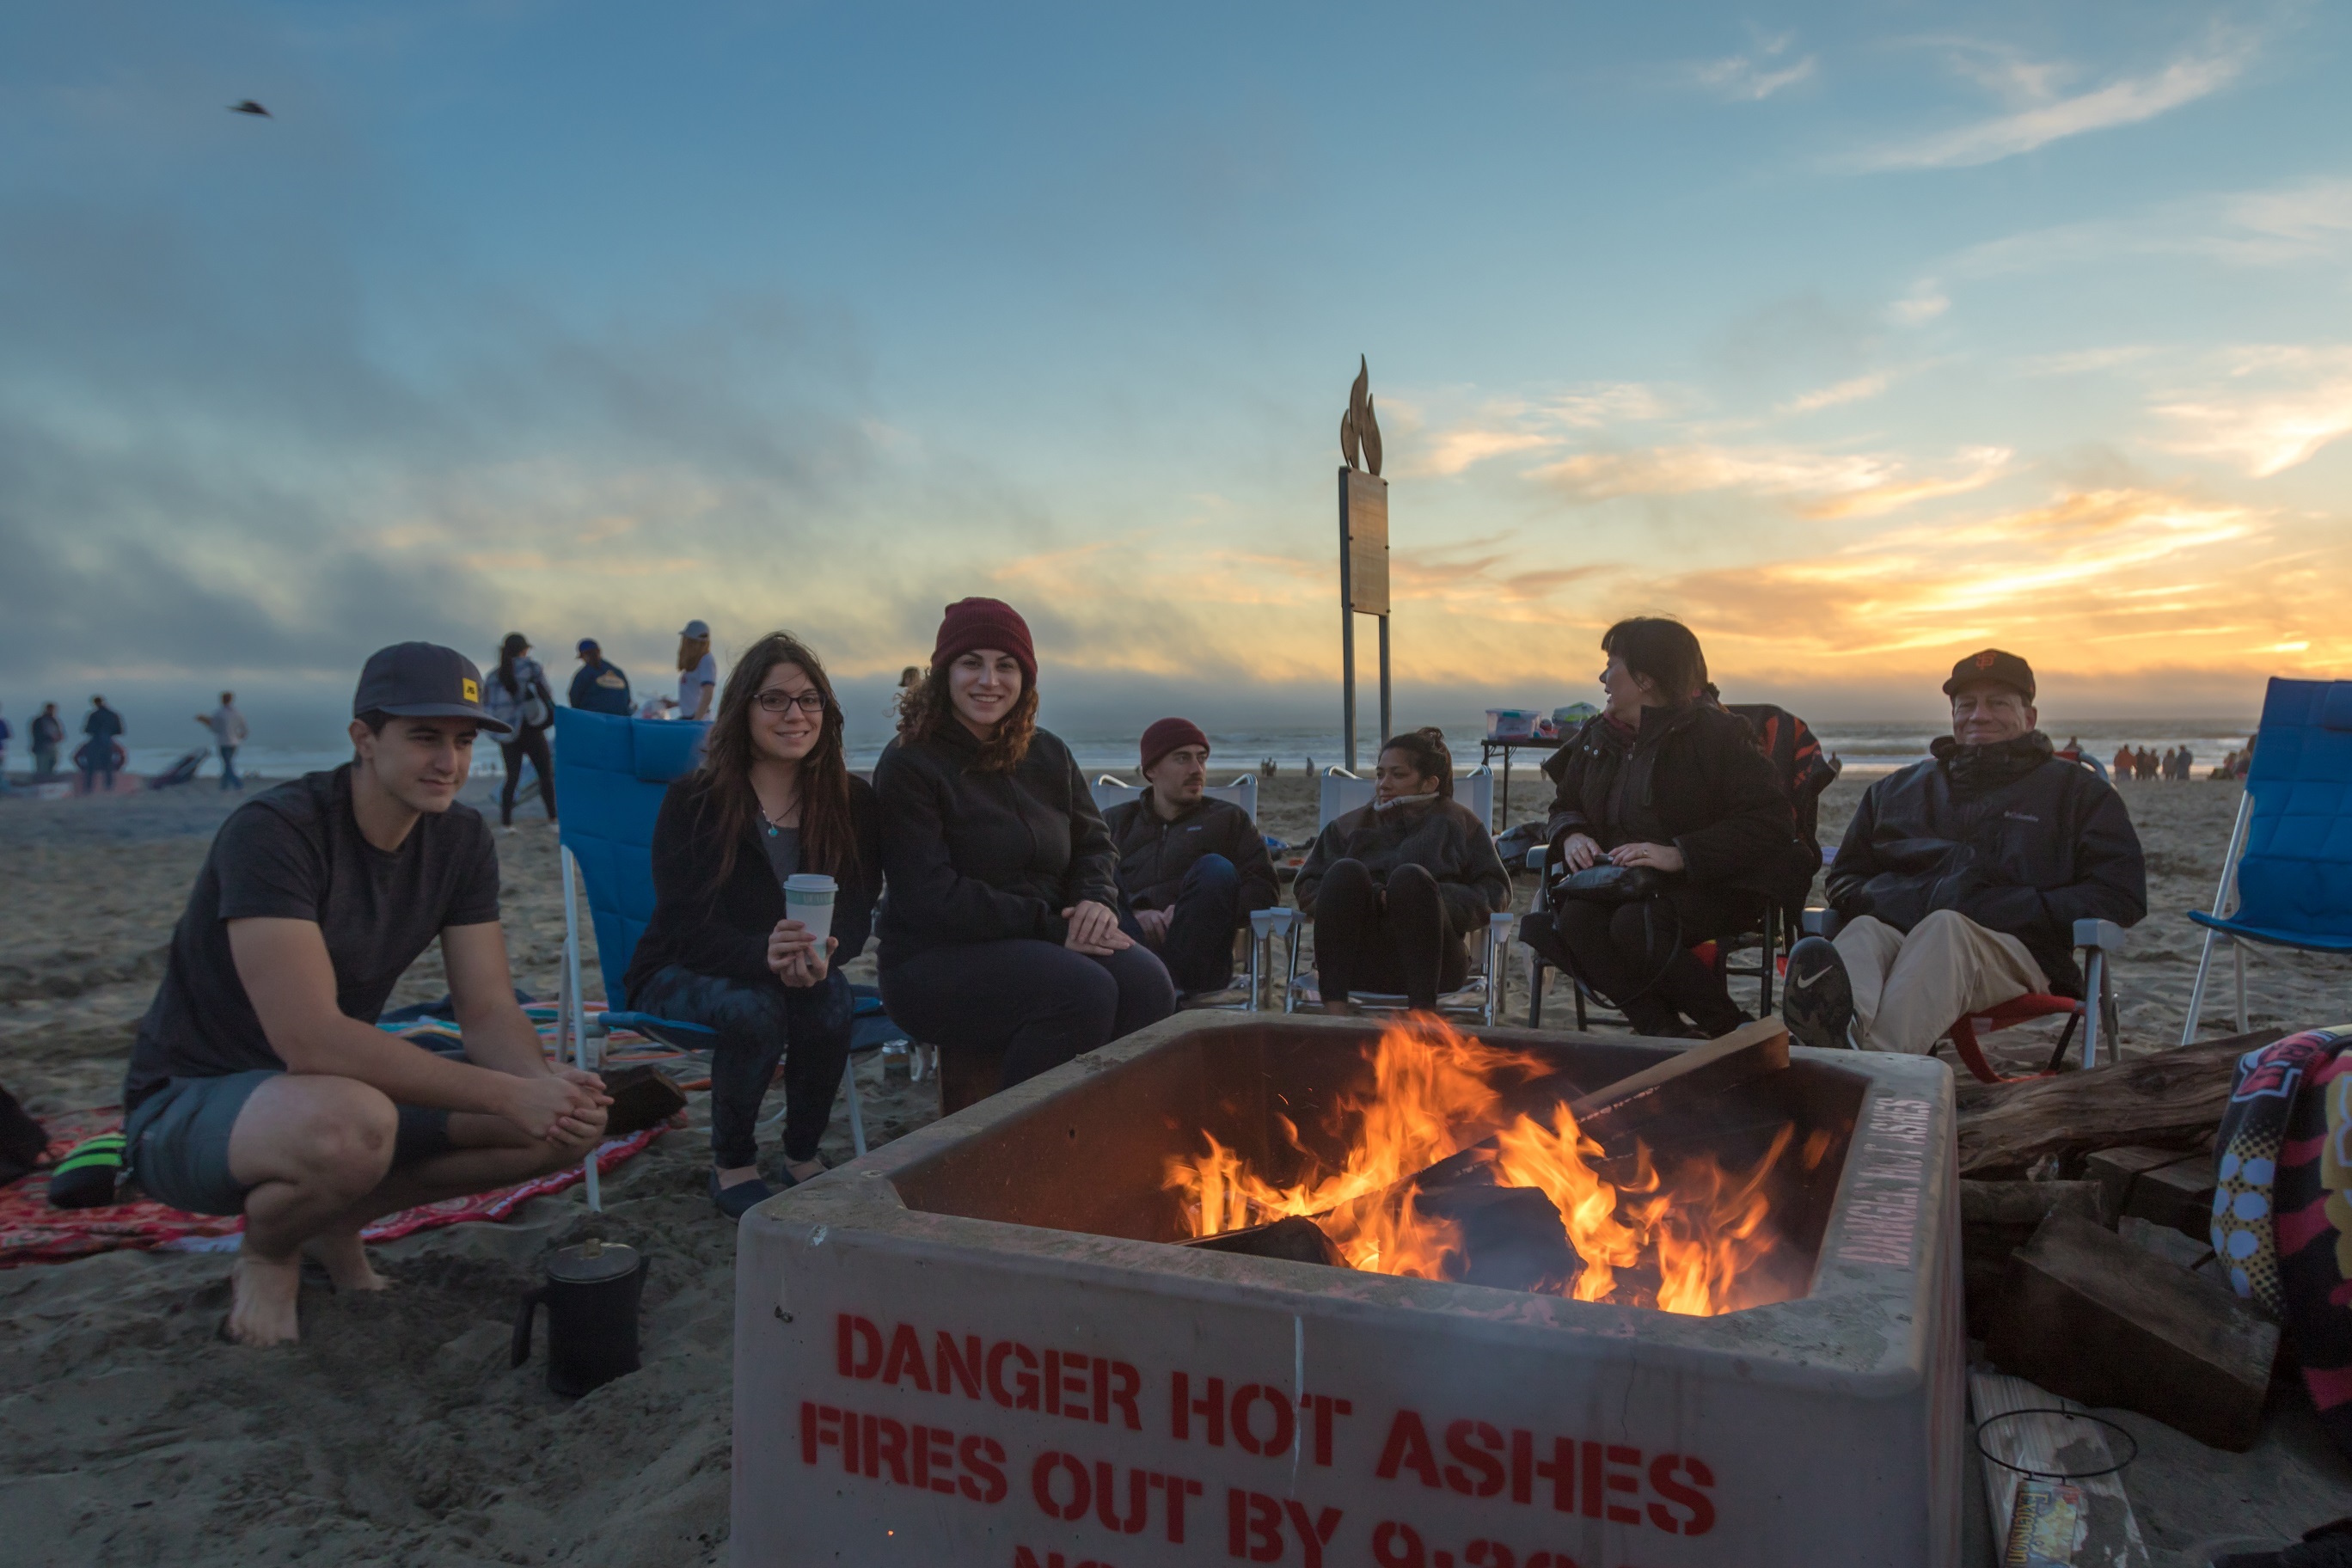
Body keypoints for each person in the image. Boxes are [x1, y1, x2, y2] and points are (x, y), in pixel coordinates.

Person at [117, 643, 609, 1345]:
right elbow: (310, 1038)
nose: (450, 762)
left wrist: (538, 1087)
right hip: (191, 1103)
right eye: (425, 738)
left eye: (464, 741)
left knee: (570, 1124)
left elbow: (488, 1008)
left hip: (329, 1094)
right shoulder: (277, 832)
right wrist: (506, 1094)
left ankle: (332, 1221)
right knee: (355, 1126)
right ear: (363, 739)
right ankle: (269, 1250)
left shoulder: (460, 838)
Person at [625, 632, 879, 1217]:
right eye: (774, 700)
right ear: (743, 709)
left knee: (830, 996)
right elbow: (685, 924)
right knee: (754, 1008)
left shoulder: (851, 802)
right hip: (682, 968)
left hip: (798, 964)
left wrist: (824, 953)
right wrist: (761, 956)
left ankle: (801, 1154)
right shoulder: (696, 800)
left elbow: (859, 909)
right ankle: (733, 1162)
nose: (795, 714)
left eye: (809, 700)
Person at [1782, 649, 2146, 1057]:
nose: (1979, 715)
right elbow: (1846, 879)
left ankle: (1864, 1068)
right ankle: (1833, 1046)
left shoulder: (2077, 794)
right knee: (1864, 932)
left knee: (1946, 930)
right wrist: (1897, 901)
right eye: (1966, 705)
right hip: (1898, 932)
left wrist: (2012, 907)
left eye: (1997, 703)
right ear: (1953, 714)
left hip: (2016, 950)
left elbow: (2121, 895)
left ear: (2030, 716)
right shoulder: (1896, 791)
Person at [876, 598, 1175, 1089]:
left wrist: (1095, 900)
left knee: (1148, 984)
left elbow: (1094, 842)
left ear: (1025, 678)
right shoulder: (911, 764)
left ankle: (1110, 1135)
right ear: (944, 673)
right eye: (972, 663)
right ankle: (1020, 1151)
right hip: (934, 958)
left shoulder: (1048, 751)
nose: (989, 681)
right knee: (1082, 990)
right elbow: (930, 897)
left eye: (1006, 666)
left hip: (1045, 938)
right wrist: (1055, 928)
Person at [1518, 618, 1813, 1038]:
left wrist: (1680, 853)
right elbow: (1564, 806)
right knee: (1572, 920)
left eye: (1611, 664)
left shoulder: (1716, 735)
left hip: (1713, 883)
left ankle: (1731, 1029)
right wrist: (1571, 834)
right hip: (1624, 882)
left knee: (1635, 925)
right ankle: (1662, 1033)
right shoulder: (1597, 737)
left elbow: (1771, 822)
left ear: (1644, 678)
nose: (1603, 677)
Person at [1294, 727, 1511, 1013]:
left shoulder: (1458, 824)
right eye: (1380, 773)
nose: (1383, 784)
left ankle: (1420, 1017)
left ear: (1428, 783)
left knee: (1411, 879)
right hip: (1357, 963)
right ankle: (1335, 1015)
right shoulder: (1349, 826)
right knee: (1346, 872)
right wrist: (1369, 897)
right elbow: (1307, 884)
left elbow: (1496, 891)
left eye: (1398, 775)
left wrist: (1431, 898)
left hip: (1436, 965)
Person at [1101, 718, 1279, 995]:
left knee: (1216, 868)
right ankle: (1158, 985)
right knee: (1100, 876)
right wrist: (1135, 913)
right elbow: (1083, 887)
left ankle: (1173, 989)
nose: (1197, 770)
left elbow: (1263, 891)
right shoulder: (1114, 823)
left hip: (1198, 959)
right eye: (1182, 759)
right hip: (1129, 950)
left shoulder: (1229, 820)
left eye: (1202, 759)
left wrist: (1187, 912)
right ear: (1151, 770)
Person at [481, 634, 558, 829]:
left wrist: (496, 732)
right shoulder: (531, 668)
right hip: (531, 728)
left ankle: (506, 823)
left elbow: (487, 707)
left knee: (512, 777)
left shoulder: (493, 675)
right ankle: (552, 820)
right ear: (524, 650)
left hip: (507, 732)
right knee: (545, 775)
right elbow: (547, 693)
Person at [197, 692, 249, 791]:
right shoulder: (237, 713)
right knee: (227, 764)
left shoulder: (219, 713)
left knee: (227, 765)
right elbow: (244, 729)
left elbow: (215, 728)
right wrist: (240, 735)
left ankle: (238, 785)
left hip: (224, 742)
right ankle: (224, 787)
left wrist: (205, 721)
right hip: (234, 742)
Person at [568, 639, 634, 716]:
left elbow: (574, 698)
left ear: (584, 655)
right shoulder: (618, 673)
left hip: (594, 721)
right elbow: (627, 699)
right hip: (620, 721)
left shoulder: (584, 674)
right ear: (599, 652)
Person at [80, 695, 125, 793]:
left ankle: (89, 787)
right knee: (108, 765)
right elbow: (119, 730)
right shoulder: (113, 715)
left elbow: (87, 730)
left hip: (96, 742)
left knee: (91, 765)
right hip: (108, 742)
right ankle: (108, 786)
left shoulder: (94, 715)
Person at [676, 620, 719, 721]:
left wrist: (696, 721)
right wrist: (674, 704)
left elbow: (708, 693)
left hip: (698, 720)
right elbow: (693, 696)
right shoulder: (695, 663)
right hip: (688, 718)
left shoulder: (706, 660)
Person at [31, 702, 63, 781]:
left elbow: (59, 732)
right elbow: (37, 735)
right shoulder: (39, 721)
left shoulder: (54, 721)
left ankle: (49, 782)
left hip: (52, 747)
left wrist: (59, 737)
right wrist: (50, 738)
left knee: (53, 764)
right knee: (42, 768)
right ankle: (40, 783)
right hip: (42, 748)